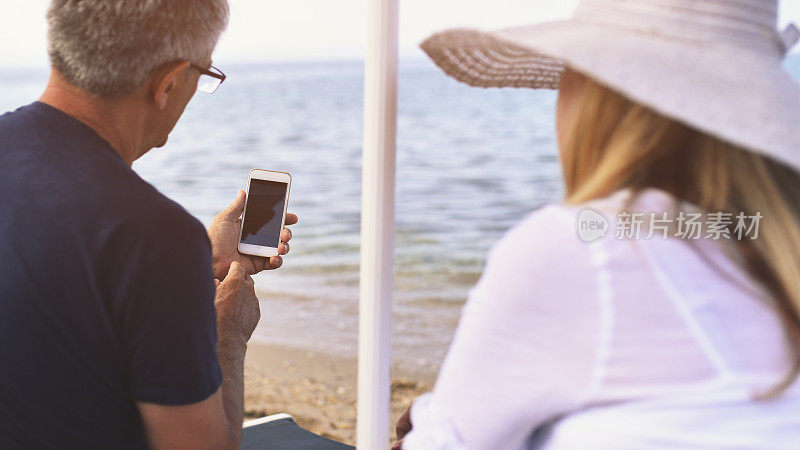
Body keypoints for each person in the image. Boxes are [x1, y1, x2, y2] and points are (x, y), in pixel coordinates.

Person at [396, 0, 800, 448]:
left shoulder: (586, 250)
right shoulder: (772, 243)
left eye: (570, 70)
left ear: (596, 94)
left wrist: (424, 421)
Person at [0, 1, 296, 448]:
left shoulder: (152, 243)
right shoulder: (156, 237)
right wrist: (228, 331)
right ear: (169, 83)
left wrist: (196, 266)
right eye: (205, 76)